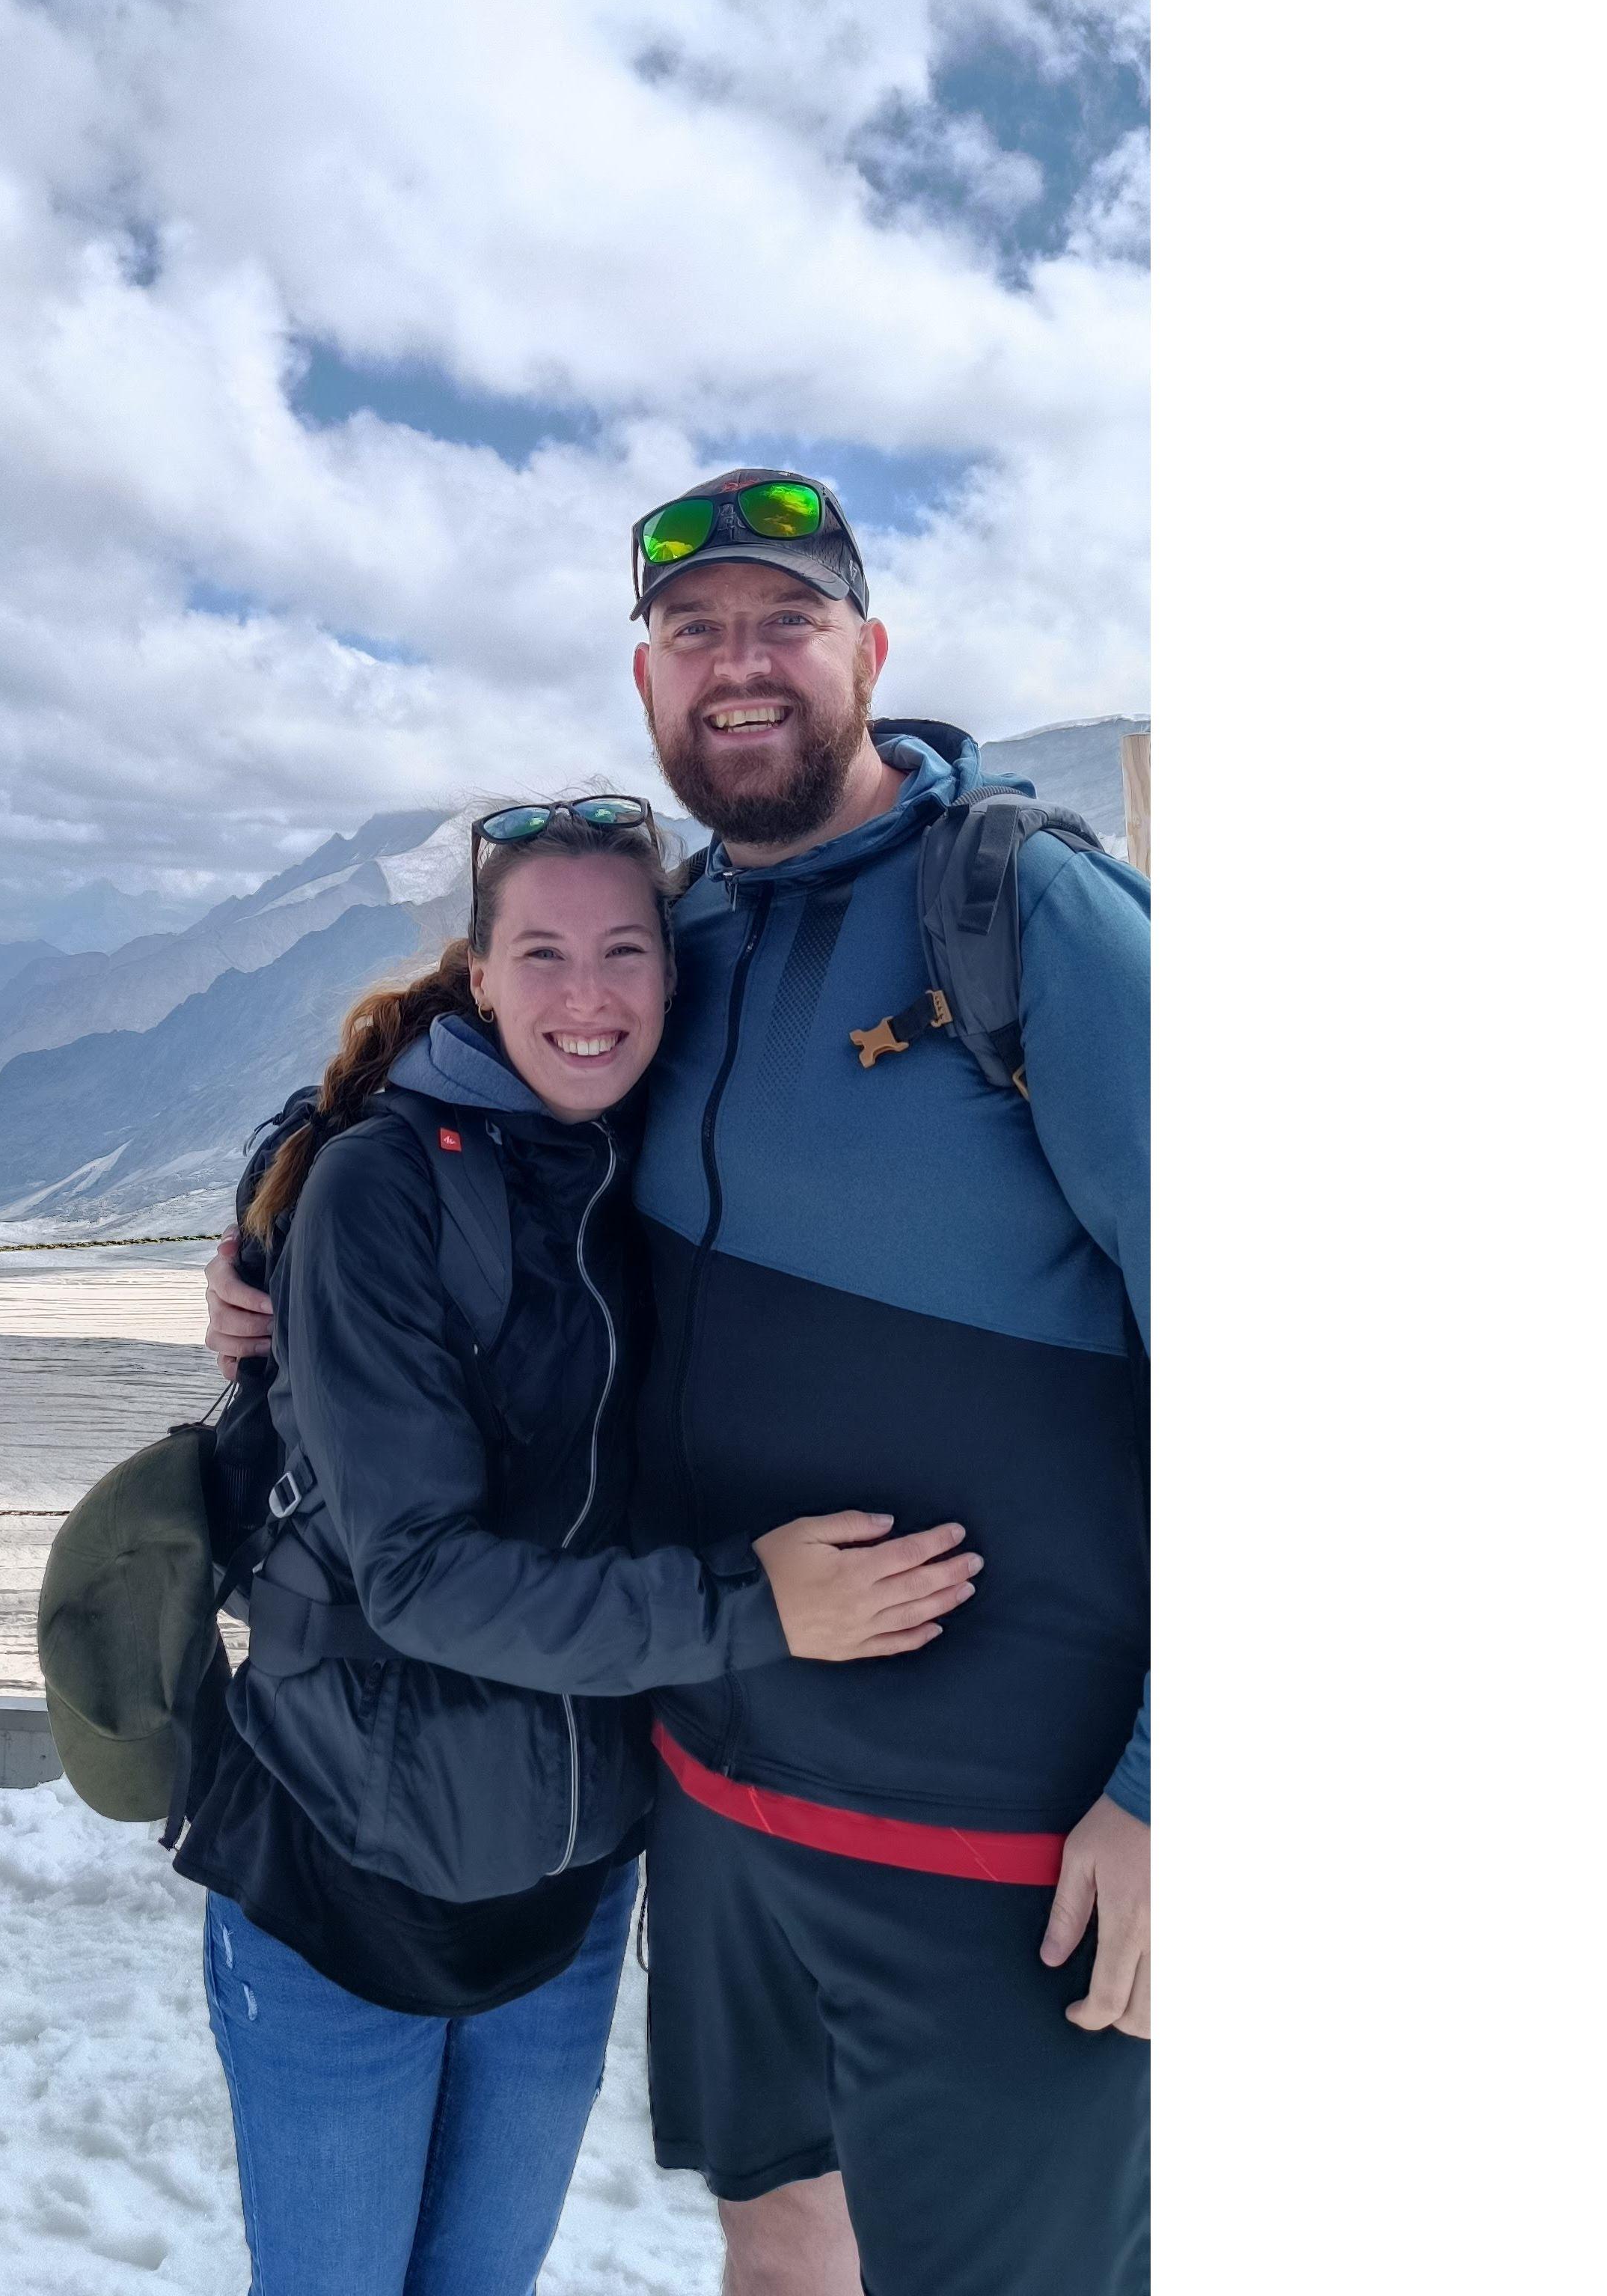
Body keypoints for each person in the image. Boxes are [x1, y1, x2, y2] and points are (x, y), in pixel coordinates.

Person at [209, 467, 1149, 2296]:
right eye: (691, 628)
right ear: (644, 685)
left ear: (866, 650)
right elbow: (461, 1088)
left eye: (783, 618)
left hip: (1006, 1833)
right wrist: (273, 1221)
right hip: (718, 1807)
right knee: (781, 2250)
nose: (738, 663)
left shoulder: (1023, 916)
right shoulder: (677, 942)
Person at [180, 795, 982, 2296]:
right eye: (538, 950)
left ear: (673, 978)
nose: (585, 992)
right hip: (341, 1868)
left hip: (560, 1893)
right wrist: (760, 1607)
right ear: (475, 972)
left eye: (624, 948)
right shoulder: (384, 1181)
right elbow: (414, 1573)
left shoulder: (666, 1169)